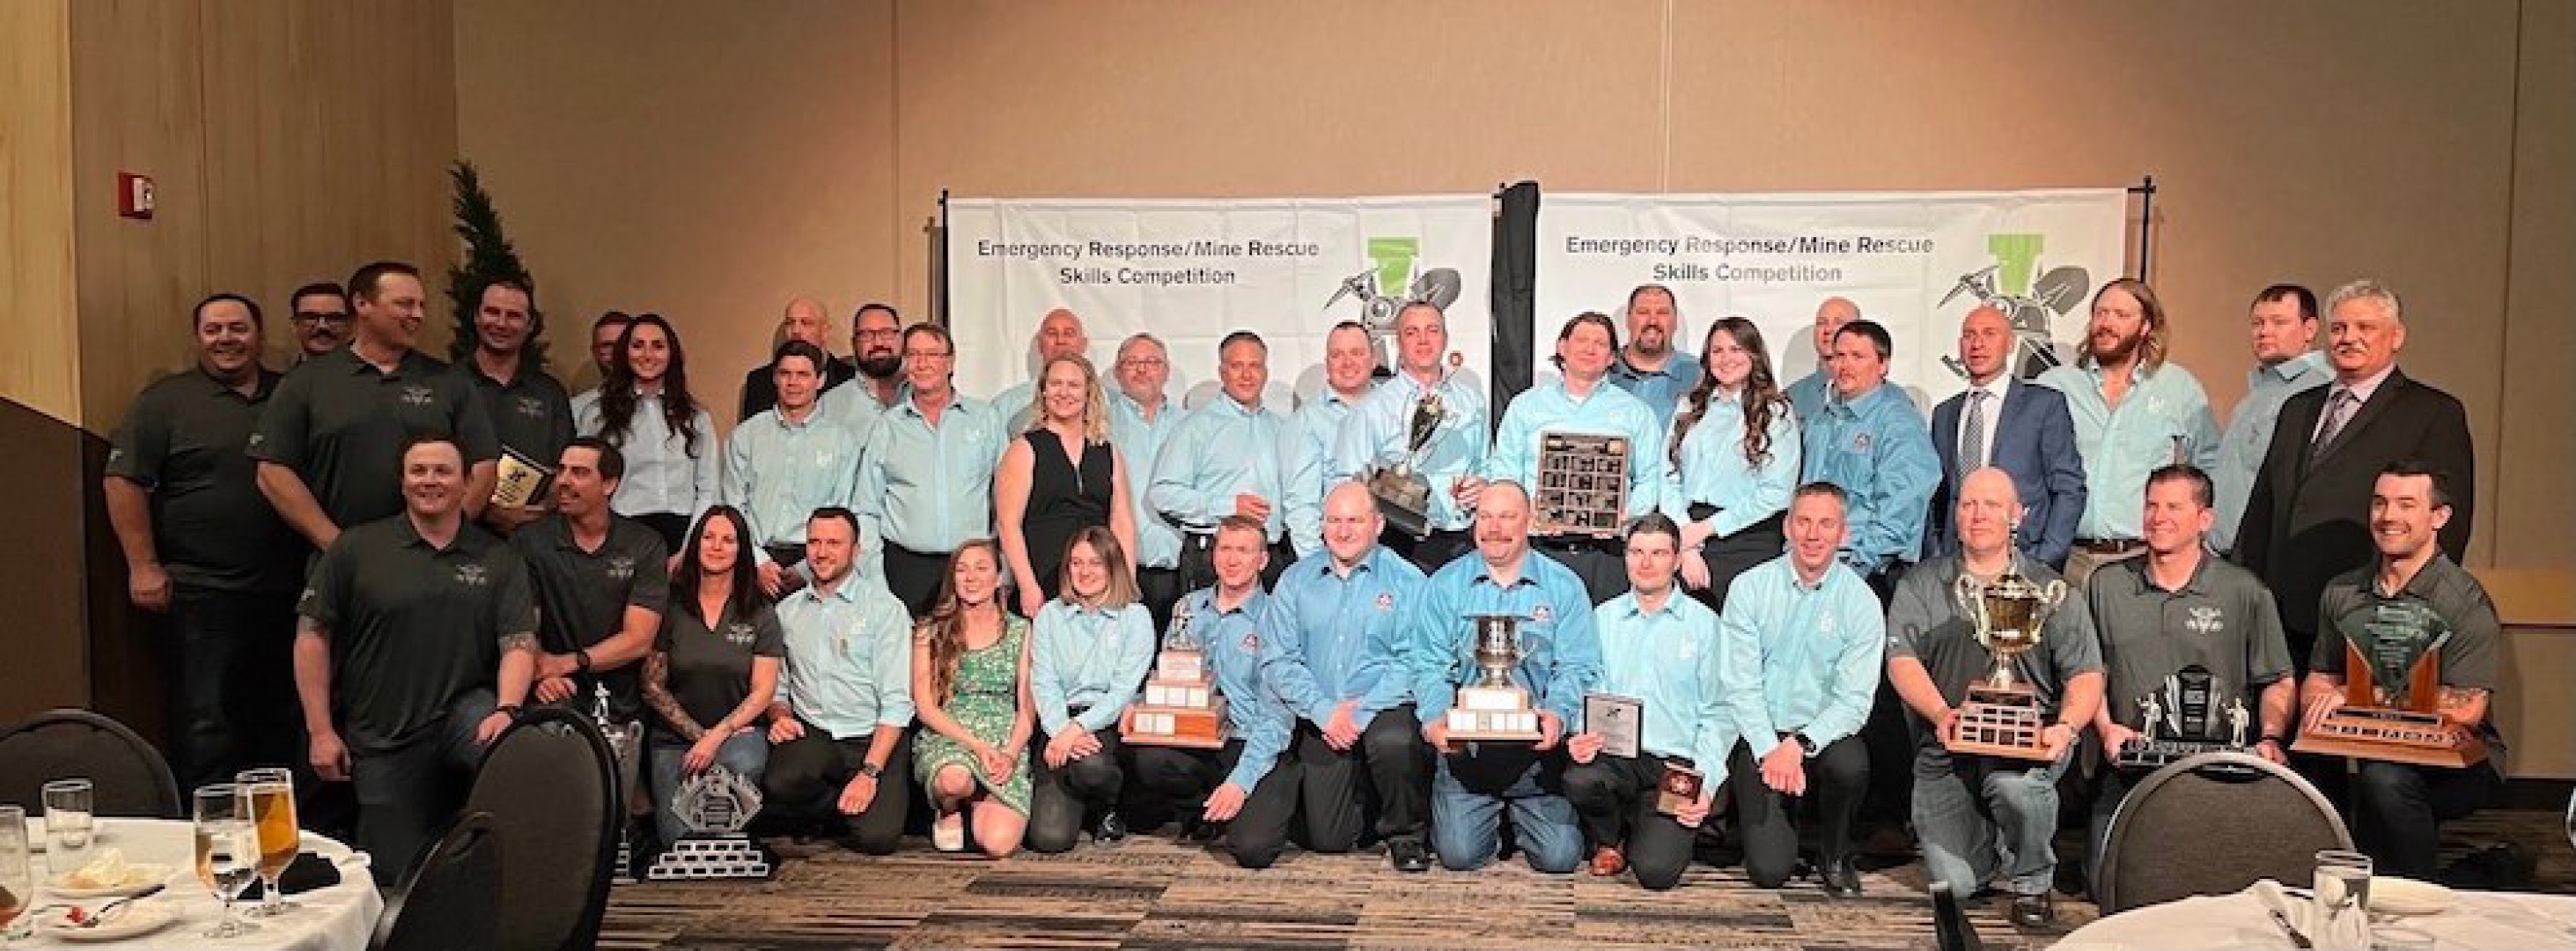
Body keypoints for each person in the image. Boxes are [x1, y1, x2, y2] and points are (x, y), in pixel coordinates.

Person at [291, 434, 539, 884]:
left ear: (467, 483)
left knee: (518, 763)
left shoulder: (499, 558)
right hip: (383, 736)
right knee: (393, 879)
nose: (430, 481)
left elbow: (518, 643)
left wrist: (508, 708)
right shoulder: (355, 549)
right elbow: (312, 637)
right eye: (418, 471)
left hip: (467, 717)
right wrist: (321, 731)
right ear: (401, 482)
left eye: (443, 471)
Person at [1886, 468, 2104, 929]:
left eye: (1991, 505)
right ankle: (1989, 840)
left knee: (2016, 788)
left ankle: (2033, 883)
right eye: (1967, 505)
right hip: (1946, 743)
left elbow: (2085, 673)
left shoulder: (2051, 590)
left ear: (2016, 517)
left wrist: (2064, 728)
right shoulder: (1922, 584)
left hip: (2029, 745)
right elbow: (1901, 662)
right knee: (1957, 885)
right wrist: (1942, 713)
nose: (1977, 515)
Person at [105, 293, 300, 789]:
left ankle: (281, 844)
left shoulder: (292, 394)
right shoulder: (164, 402)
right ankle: (209, 845)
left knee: (282, 724)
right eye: (214, 330)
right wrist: (143, 565)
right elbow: (123, 481)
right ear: (198, 338)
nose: (227, 340)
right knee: (206, 726)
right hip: (202, 593)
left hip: (291, 591)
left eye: (238, 328)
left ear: (260, 336)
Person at [2238, 280, 2477, 673]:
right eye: (2339, 328)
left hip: (2371, 622)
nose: (2349, 338)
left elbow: (2451, 524)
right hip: (2280, 620)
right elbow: (2262, 510)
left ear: (2396, 336)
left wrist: (2410, 613)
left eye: (2364, 328)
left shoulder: (2432, 413)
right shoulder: (2297, 408)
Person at [2084, 465, 2294, 890]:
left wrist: (2270, 737)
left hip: (2219, 769)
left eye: (2173, 507)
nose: (2158, 517)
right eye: (2151, 506)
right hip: (2133, 767)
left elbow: (2278, 678)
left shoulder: (2244, 590)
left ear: (2204, 519)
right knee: (2106, 882)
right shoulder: (2105, 585)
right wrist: (2106, 729)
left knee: (2221, 881)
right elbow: (2086, 674)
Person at [2296, 461, 2504, 881]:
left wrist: (2355, 698)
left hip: (2456, 761)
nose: (2388, 516)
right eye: (2380, 503)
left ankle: (2416, 894)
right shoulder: (2342, 591)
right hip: (2364, 747)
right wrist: (2328, 699)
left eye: (2406, 504)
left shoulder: (2464, 601)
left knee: (2384, 779)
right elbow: (2318, 682)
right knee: (2302, 763)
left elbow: (2466, 708)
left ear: (2439, 517)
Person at [1411, 482, 1601, 874]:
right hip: (1468, 754)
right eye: (1485, 516)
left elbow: (1576, 666)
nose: (1494, 527)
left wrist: (1557, 716)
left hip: (1537, 757)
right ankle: (1490, 820)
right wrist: (1434, 721)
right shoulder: (1444, 585)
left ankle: (1519, 816)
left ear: (1529, 521)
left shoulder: (1564, 586)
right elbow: (1428, 664)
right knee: (1459, 857)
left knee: (1561, 859)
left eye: (1507, 517)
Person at [254, 261, 501, 550]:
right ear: (361, 304)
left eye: (421, 305)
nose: (417, 315)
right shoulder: (306, 381)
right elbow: (272, 471)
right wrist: (336, 545)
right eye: (405, 305)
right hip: (339, 562)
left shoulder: (450, 382)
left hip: (436, 562)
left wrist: (446, 536)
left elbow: (484, 467)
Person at [1715, 484, 1884, 895]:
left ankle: (1835, 852)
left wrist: (1799, 745)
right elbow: (1739, 685)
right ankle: (1777, 818)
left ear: (1843, 534)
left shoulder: (1861, 602)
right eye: (1803, 522)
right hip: (1760, 734)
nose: (1813, 534)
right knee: (1769, 872)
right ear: (1787, 527)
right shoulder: (1749, 588)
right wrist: (1770, 748)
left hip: (1819, 736)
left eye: (1826, 524)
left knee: (1850, 763)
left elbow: (1854, 702)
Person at [1259, 483, 1434, 872]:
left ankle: (1406, 836)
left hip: (1383, 703)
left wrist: (1361, 710)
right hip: (1320, 712)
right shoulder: (1295, 580)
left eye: (1355, 520)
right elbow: (1277, 660)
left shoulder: (1408, 581)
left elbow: (1414, 660)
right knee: (1329, 839)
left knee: (1393, 740)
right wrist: (1324, 711)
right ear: (1322, 526)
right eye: (1334, 520)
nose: (1343, 530)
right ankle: (1365, 805)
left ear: (1379, 524)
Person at [1562, 514, 1725, 891]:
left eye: (1657, 553)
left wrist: (1710, 781)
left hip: (1676, 763)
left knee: (1655, 872)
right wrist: (1578, 732)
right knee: (1581, 778)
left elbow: (1719, 711)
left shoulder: (1705, 626)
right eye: (1636, 552)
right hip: (1617, 755)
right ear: (1625, 557)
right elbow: (1583, 688)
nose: (1646, 563)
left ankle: (1648, 822)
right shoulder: (1601, 619)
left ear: (1677, 560)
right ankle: (1610, 839)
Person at [1129, 517, 1302, 868]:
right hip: (1199, 740)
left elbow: (1278, 719)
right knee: (1150, 760)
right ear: (1213, 555)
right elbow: (1169, 676)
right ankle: (1204, 810)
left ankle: (1235, 805)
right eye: (1225, 549)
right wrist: (1139, 705)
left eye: (1244, 550)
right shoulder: (1187, 609)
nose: (1233, 559)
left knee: (1252, 850)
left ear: (1263, 560)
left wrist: (1240, 781)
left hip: (1254, 743)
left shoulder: (1277, 619)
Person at [2035, 277, 2220, 586]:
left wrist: (2193, 541)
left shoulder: (2178, 387)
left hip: (2141, 561)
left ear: (2146, 326)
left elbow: (2209, 465)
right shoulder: (2055, 386)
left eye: (2121, 315)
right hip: (2066, 561)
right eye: (2100, 313)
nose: (2106, 323)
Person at [1487, 313, 1667, 603]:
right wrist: (1525, 512)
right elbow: (1504, 470)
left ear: (1611, 357)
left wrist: (1626, 514)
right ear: (1562, 347)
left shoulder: (1636, 412)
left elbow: (1650, 477)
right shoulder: (1525, 407)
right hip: (1539, 546)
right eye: (1582, 340)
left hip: (1606, 553)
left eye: (1600, 343)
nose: (1590, 349)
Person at [761, 508, 912, 854]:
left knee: (878, 839)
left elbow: (896, 702)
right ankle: (831, 808)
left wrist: (869, 773)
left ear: (856, 551)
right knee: (781, 782)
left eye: (834, 543)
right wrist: (779, 716)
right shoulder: (787, 612)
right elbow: (778, 687)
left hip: (871, 737)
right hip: (817, 732)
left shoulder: (885, 609)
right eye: (814, 542)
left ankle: (854, 802)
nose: (822, 552)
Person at [641, 505, 783, 848]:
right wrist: (699, 737)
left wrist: (716, 738)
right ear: (695, 544)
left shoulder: (759, 611)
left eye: (728, 540)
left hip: (737, 735)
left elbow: (763, 691)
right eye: (708, 537)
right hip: (675, 739)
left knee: (725, 820)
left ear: (742, 549)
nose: (717, 546)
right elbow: (651, 685)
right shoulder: (670, 606)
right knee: (677, 841)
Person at [508, 439, 669, 733]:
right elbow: (521, 627)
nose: (563, 482)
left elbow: (638, 639)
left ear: (609, 484)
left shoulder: (645, 545)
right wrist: (542, 671)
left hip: (622, 702)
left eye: (579, 473)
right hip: (552, 693)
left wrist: (568, 662)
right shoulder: (530, 542)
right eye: (561, 471)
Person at [857, 323, 1008, 616]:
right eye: (913, 355)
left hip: (972, 569)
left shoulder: (985, 420)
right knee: (912, 659)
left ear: (950, 363)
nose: (922, 364)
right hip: (905, 569)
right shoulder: (887, 427)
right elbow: (867, 507)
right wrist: (875, 576)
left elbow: (1006, 502)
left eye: (932, 355)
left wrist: (1005, 568)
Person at [1149, 330, 1318, 591]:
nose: (1247, 375)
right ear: (1222, 372)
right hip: (1214, 559)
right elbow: (1162, 494)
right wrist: (1226, 506)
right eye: (1237, 366)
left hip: (1272, 559)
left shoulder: (1282, 429)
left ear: (1266, 372)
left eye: (1255, 366)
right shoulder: (1195, 428)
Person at [1330, 300, 1489, 571]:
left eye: (1432, 330)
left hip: (1464, 538)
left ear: (1446, 339)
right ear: (1398, 343)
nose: (1424, 340)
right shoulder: (1371, 408)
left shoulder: (1471, 402)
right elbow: (1347, 484)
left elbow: (1485, 464)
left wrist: (1482, 485)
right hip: (1398, 543)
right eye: (1412, 332)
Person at [1025, 527, 1154, 853]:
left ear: (1113, 566)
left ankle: (1110, 807)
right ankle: (1079, 804)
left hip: (1108, 722)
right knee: (1049, 840)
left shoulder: (1136, 617)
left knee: (1092, 767)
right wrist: (1059, 731)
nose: (1085, 572)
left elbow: (1123, 691)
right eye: (1076, 563)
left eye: (1095, 563)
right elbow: (1044, 682)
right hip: (1057, 722)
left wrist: (1076, 730)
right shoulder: (1050, 616)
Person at [1927, 305, 2087, 569]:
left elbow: (2069, 487)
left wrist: (2045, 556)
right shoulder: (1945, 413)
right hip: (1955, 563)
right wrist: (1936, 554)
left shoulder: (2043, 406)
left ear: (2010, 343)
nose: (1978, 344)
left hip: (2023, 560)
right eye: (1969, 335)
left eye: (1990, 334)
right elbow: (1938, 496)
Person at [1661, 316, 1800, 609]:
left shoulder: (1776, 414)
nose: (1726, 359)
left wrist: (1707, 529)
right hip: (1688, 534)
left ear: (1753, 355)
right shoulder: (1689, 406)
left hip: (1748, 536)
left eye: (1736, 350)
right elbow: (1668, 476)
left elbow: (1776, 493)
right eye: (1717, 350)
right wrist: (1686, 542)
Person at [910, 539, 1034, 857]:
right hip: (951, 734)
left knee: (999, 843)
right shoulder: (930, 630)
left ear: (998, 579)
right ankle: (950, 807)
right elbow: (925, 707)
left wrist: (1008, 754)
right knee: (955, 781)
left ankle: (981, 799)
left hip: (1002, 739)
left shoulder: (1022, 631)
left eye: (982, 569)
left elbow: (1026, 711)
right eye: (962, 570)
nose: (971, 577)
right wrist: (976, 746)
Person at [1799, 319, 1939, 597]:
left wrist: (1855, 570)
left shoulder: (1899, 424)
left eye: (1857, 356)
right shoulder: (1819, 422)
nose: (1845, 365)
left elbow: (1901, 509)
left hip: (1870, 573)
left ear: (1883, 365)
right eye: (1839, 356)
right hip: (1813, 565)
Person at [996, 354, 1139, 615]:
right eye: (1055, 384)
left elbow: (1122, 522)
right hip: (1042, 581)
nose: (1064, 393)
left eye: (1073, 385)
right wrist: (1028, 586)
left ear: (1088, 393)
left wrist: (1126, 584)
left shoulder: (1107, 451)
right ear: (1043, 390)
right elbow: (1008, 524)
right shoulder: (1024, 449)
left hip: (1099, 583)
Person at [725, 341, 861, 596]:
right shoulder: (746, 436)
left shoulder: (842, 442)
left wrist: (807, 568)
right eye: (786, 374)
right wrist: (757, 562)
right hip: (754, 559)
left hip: (815, 562)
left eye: (803, 375)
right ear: (775, 378)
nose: (793, 382)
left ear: (820, 380)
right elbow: (733, 506)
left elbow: (843, 511)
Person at [579, 313, 719, 552]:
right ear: (625, 353)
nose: (647, 355)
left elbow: (708, 489)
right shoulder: (597, 415)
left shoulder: (697, 417)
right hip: (621, 535)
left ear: (671, 354)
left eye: (658, 346)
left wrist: (689, 549)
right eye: (637, 346)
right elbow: (586, 484)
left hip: (682, 534)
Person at [2210, 285, 2329, 554]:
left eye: (2279, 322)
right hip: (2224, 554)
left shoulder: (2317, 393)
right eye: (2258, 323)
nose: (2264, 332)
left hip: (2268, 556)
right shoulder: (2257, 393)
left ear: (2309, 329)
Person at [455, 278, 575, 536]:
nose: (500, 323)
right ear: (476, 316)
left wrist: (541, 510)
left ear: (530, 325)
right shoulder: (447, 384)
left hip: (534, 535)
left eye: (513, 316)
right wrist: (484, 508)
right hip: (461, 534)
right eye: (492, 312)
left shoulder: (550, 392)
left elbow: (565, 465)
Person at [1108, 333, 1190, 630]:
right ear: (1118, 373)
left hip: (1181, 569)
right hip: (1118, 571)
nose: (1142, 370)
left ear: (1166, 372)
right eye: (1132, 363)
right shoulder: (1099, 424)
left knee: (1180, 667)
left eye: (1152, 362)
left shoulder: (1191, 424)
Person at [1289, 321, 1376, 547]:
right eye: (1337, 355)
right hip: (1337, 550)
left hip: (1398, 549)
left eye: (1356, 353)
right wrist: (1317, 569)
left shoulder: (1397, 409)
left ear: (1374, 359)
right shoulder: (1306, 421)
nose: (1348, 362)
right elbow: (1301, 507)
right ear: (1327, 364)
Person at [738, 298, 856, 422]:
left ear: (825, 331)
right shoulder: (760, 381)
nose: (796, 331)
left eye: (806, 323)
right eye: (790, 323)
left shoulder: (850, 379)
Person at [1607, 284, 1701, 428]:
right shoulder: (1602, 370)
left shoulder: (1698, 375)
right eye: (1643, 312)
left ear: (1675, 321)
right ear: (1628, 320)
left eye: (1662, 313)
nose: (1652, 321)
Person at [994, 307, 1091, 433]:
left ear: (1083, 344)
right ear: (1040, 344)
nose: (1060, 341)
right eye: (1052, 333)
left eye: (1068, 333)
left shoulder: (1110, 402)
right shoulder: (1007, 406)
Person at [1785, 296, 1858, 422]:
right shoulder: (1790, 398)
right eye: (1821, 323)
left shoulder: (1884, 395)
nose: (1828, 330)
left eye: (1839, 322)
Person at [842, 302, 906, 413]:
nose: (878, 343)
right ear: (854, 344)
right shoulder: (830, 406)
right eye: (866, 335)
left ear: (901, 339)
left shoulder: (929, 393)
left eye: (886, 333)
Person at [285, 282, 350, 363]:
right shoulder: (287, 375)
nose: (323, 326)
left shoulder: (369, 374)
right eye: (311, 318)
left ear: (348, 324)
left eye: (333, 318)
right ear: (295, 325)